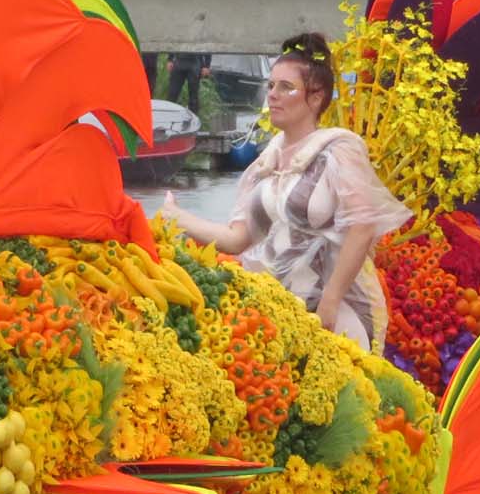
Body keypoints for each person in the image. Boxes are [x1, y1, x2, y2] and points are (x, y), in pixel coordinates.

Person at [161, 33, 410, 351]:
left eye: (286, 87)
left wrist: (331, 301)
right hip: (278, 309)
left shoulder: (338, 150)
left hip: (334, 311)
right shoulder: (262, 167)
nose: (273, 96)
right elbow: (238, 239)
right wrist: (177, 217)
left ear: (316, 97)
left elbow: (362, 228)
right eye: (271, 86)